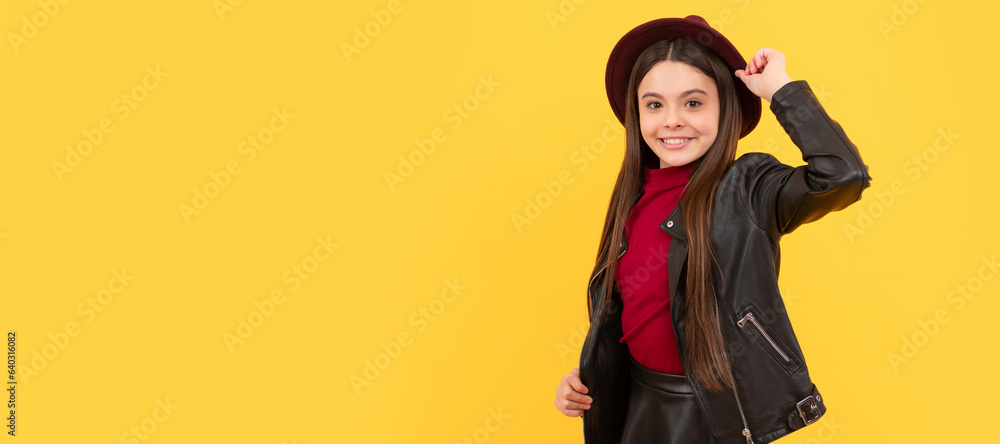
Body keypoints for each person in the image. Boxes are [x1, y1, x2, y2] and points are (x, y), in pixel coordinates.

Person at [553, 15, 872, 444]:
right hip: (640, 406)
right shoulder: (632, 196)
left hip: (713, 415)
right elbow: (631, 315)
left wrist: (780, 89)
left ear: (726, 108)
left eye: (693, 103)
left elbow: (843, 175)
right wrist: (592, 375)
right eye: (654, 104)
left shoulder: (749, 189)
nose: (671, 121)